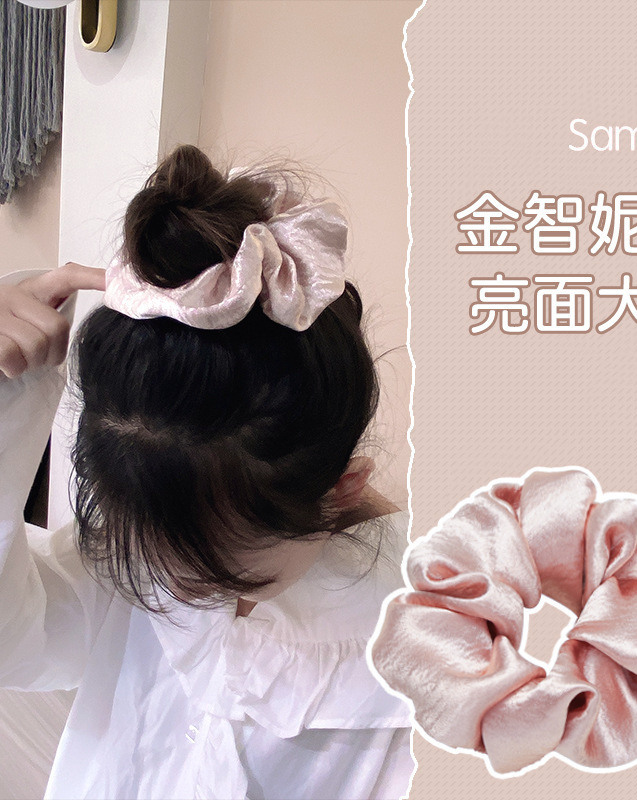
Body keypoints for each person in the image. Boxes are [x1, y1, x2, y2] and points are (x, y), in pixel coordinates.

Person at [0, 145, 414, 800]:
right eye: (146, 560)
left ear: (341, 493)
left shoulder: (433, 653)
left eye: (209, 577)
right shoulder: (150, 532)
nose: (166, 589)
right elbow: (15, 642)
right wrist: (9, 401)